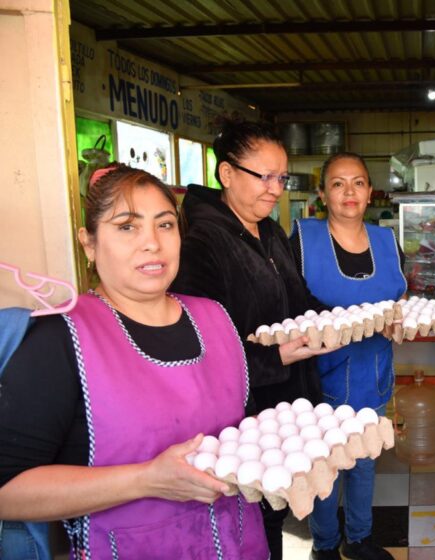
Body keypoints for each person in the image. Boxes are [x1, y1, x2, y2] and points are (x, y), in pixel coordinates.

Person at [0, 164, 268, 559]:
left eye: (165, 225)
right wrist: (145, 480)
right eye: (127, 226)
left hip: (243, 544)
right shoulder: (60, 337)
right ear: (89, 243)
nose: (152, 244)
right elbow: (7, 491)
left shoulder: (216, 318)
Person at [171, 118, 328, 559]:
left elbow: (298, 297)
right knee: (246, 523)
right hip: (243, 414)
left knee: (272, 518)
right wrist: (274, 357)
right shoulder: (202, 243)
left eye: (282, 177)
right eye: (265, 176)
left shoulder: (270, 230)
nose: (276, 188)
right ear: (226, 173)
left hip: (285, 403)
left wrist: (338, 321)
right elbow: (199, 345)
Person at [290, 152, 405, 560]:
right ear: (323, 194)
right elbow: (287, 304)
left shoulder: (386, 240)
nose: (349, 192)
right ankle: (323, 544)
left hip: (372, 372)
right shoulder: (303, 239)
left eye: (357, 182)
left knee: (364, 463)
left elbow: (397, 296)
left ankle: (358, 539)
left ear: (370, 191)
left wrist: (397, 321)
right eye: (338, 184)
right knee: (324, 467)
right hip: (321, 377)